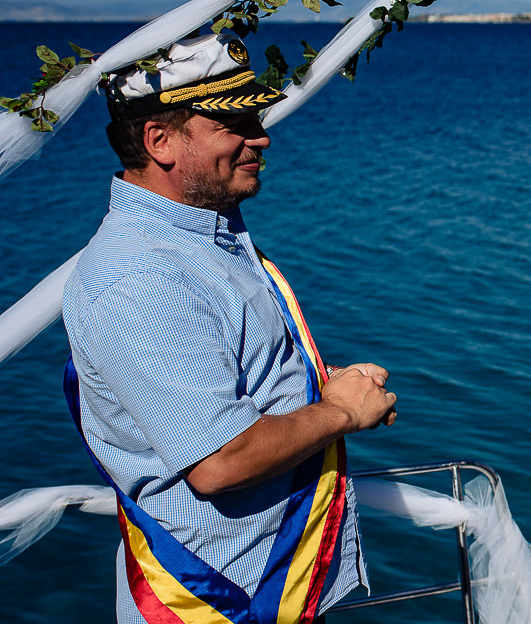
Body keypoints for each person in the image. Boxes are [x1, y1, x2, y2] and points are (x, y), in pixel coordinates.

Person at [62, 32, 398, 624]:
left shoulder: (198, 233)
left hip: (271, 583)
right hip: (216, 601)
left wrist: (324, 386)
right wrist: (342, 414)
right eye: (233, 121)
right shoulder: (138, 273)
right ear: (159, 140)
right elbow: (222, 461)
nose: (260, 136)